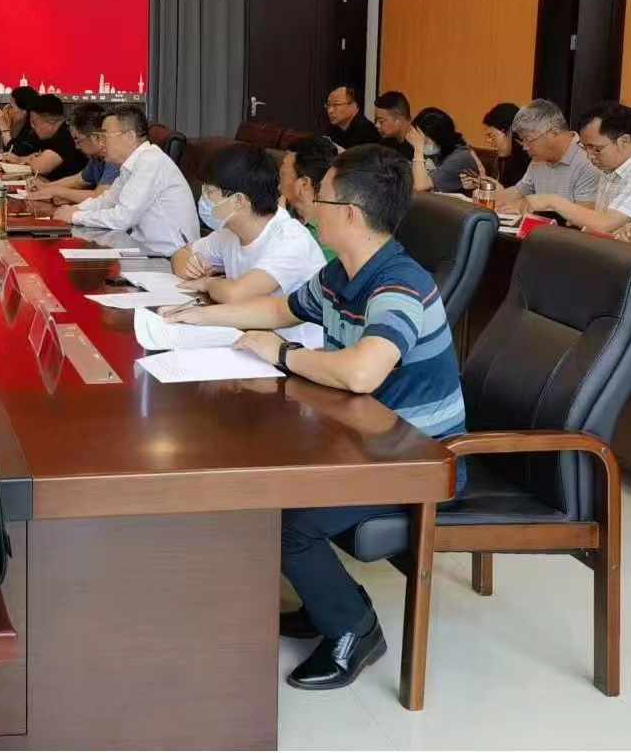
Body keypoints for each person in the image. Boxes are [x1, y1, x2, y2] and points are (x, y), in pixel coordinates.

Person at [160, 145, 464, 691]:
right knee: (258, 476)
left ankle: (355, 629)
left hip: (415, 454)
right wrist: (196, 318)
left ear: (349, 213)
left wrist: (281, 354)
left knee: (289, 520)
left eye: (318, 196)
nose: (303, 202)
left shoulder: (399, 284)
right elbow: (280, 309)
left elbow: (363, 372)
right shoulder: (344, 271)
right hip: (364, 433)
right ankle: (326, 601)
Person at [170, 144, 324, 302]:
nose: (203, 199)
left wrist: (208, 283)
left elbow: (234, 295)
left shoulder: (291, 239)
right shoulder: (230, 233)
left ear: (238, 201)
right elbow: (180, 255)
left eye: (209, 192)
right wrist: (190, 266)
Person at [52, 104, 199, 253]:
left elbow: (122, 218)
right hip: (144, 249)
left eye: (104, 136)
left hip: (170, 257)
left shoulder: (150, 161)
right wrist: (76, 209)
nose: (101, 143)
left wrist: (75, 216)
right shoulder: (130, 165)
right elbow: (108, 201)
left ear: (129, 137)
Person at [520, 102, 631, 233]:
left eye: (596, 149)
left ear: (624, 141)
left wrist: (552, 201)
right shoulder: (611, 167)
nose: (590, 156)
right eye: (586, 148)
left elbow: (605, 224)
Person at [492, 99, 600, 211]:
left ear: (553, 132)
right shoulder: (539, 159)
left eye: (528, 140)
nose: (525, 147)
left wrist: (524, 207)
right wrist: (488, 195)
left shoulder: (589, 161)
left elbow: (583, 215)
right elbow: (519, 191)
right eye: (523, 141)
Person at [26, 102, 117, 205]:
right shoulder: (96, 157)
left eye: (77, 140)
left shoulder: (115, 157)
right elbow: (79, 180)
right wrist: (45, 187)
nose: (77, 147)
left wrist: (57, 192)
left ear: (95, 137)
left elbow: (101, 196)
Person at [280, 135, 338, 263]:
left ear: (304, 185)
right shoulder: (281, 211)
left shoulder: (328, 238)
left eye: (283, 174)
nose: (279, 182)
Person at [8, 94, 87, 179]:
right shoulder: (55, 135)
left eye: (34, 123)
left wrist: (32, 159)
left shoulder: (65, 136)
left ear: (50, 122)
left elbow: (40, 167)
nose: (32, 127)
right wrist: (25, 159)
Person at [405, 107, 477, 193]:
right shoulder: (437, 153)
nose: (418, 142)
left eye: (422, 140)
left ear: (439, 138)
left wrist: (418, 149)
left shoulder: (460, 157)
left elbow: (419, 186)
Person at [471, 102, 530, 189]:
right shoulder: (502, 161)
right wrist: (476, 186)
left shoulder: (534, 161)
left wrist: (502, 192)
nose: (489, 141)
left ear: (509, 131)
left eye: (492, 136)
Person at [0, 85, 40, 156]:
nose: (9, 111)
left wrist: (4, 129)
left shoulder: (36, 128)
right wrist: (8, 127)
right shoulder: (27, 126)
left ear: (24, 109)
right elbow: (8, 153)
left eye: (12, 107)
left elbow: (16, 155)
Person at [371, 91, 414, 159]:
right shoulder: (386, 143)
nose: (376, 125)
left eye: (381, 121)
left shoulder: (418, 148)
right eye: (376, 120)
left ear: (399, 120)